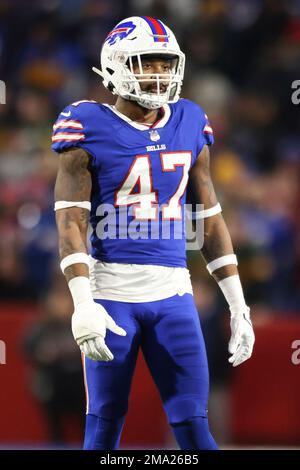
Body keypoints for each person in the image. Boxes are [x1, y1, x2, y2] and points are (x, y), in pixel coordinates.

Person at [51, 16, 255, 450]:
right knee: (103, 430)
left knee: (195, 429)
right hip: (111, 296)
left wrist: (238, 304)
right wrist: (82, 301)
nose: (158, 74)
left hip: (173, 294)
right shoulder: (86, 122)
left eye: (165, 64)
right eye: (146, 63)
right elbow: (70, 221)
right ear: (115, 66)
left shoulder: (190, 119)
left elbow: (209, 217)